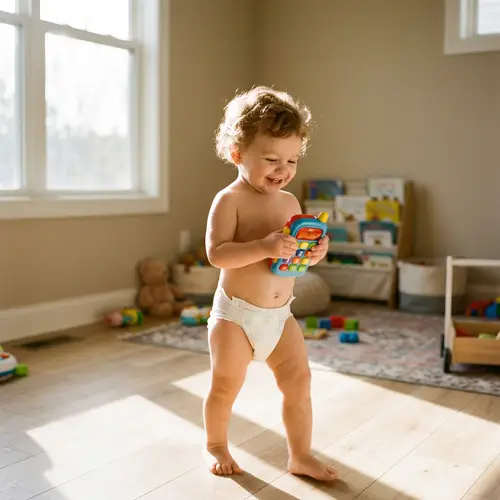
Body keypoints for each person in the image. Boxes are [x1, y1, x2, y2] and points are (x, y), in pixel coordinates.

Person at [203, 86, 336, 482]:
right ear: (237, 154)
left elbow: (293, 253)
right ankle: (216, 445)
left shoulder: (290, 203)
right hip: (236, 317)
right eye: (272, 159)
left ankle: (300, 455)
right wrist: (263, 245)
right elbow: (217, 254)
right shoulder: (229, 201)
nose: (284, 169)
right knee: (225, 385)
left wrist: (316, 252)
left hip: (280, 316)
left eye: (292, 159)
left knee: (300, 382)